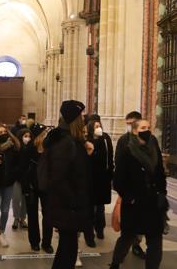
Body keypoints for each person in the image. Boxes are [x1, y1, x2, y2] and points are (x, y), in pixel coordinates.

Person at [109, 119, 168, 269]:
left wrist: (162, 193)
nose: (147, 130)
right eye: (143, 127)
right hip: (134, 205)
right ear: (135, 131)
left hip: (153, 203)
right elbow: (118, 181)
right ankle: (115, 263)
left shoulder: (154, 148)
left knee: (155, 240)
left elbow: (160, 173)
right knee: (127, 237)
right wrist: (130, 198)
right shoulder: (127, 151)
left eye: (148, 127)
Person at [44, 100, 94, 269]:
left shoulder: (70, 140)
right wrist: (73, 202)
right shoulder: (66, 142)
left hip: (68, 204)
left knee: (68, 248)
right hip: (67, 206)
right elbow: (59, 177)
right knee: (68, 250)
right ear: (74, 118)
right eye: (80, 115)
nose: (83, 118)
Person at [115, 111, 146, 259]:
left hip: (144, 190)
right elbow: (118, 164)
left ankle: (137, 245)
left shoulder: (147, 140)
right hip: (128, 190)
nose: (128, 126)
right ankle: (119, 257)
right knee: (127, 225)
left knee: (141, 223)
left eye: (131, 123)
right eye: (127, 123)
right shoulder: (123, 140)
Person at [21, 123, 53, 253]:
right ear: (38, 136)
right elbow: (23, 169)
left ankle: (47, 243)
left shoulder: (49, 148)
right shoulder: (29, 149)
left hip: (46, 186)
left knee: (48, 215)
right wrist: (26, 188)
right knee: (32, 215)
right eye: (43, 134)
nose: (46, 136)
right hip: (31, 186)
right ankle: (34, 241)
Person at [0, 124, 20, 252]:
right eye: (0, 132)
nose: (3, 134)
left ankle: (2, 233)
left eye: (4, 131)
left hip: (8, 182)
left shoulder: (13, 146)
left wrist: (14, 174)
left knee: (5, 210)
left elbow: (17, 163)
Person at [83, 117, 113, 246]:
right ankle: (89, 236)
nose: (98, 128)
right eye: (95, 126)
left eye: (99, 125)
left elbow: (109, 156)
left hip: (102, 178)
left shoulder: (105, 139)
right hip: (90, 178)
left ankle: (100, 228)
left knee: (100, 207)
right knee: (89, 208)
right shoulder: (87, 140)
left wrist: (111, 172)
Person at [11, 129, 30, 230]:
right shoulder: (16, 148)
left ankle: (23, 218)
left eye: (29, 136)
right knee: (16, 199)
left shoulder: (30, 148)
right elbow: (12, 163)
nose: (27, 138)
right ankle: (16, 218)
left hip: (27, 178)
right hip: (17, 178)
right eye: (25, 136)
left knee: (25, 200)